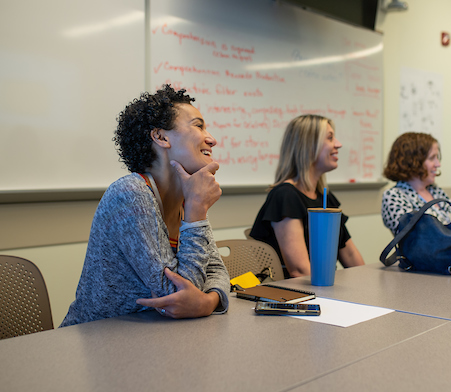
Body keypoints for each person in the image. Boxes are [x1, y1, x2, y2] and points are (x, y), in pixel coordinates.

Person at [61, 85, 229, 327]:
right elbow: (173, 296)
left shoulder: (186, 199)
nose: (211, 139)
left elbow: (217, 272)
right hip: (99, 343)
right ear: (161, 137)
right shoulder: (131, 194)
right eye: (198, 125)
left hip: (155, 339)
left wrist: (208, 303)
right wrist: (196, 210)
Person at [250, 114, 364, 278]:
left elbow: (351, 256)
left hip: (323, 288)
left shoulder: (325, 197)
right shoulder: (285, 196)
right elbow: (300, 271)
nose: (338, 144)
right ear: (309, 146)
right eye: (330, 138)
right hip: (300, 297)